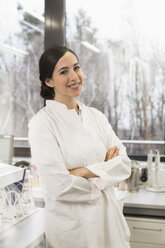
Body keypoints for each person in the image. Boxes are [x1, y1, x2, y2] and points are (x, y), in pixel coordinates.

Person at [28, 45, 131, 248]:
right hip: (73, 231)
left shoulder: (96, 117)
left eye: (76, 68)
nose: (74, 76)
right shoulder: (42, 124)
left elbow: (124, 164)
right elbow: (57, 185)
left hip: (109, 224)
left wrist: (83, 172)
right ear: (49, 81)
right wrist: (104, 175)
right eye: (64, 72)